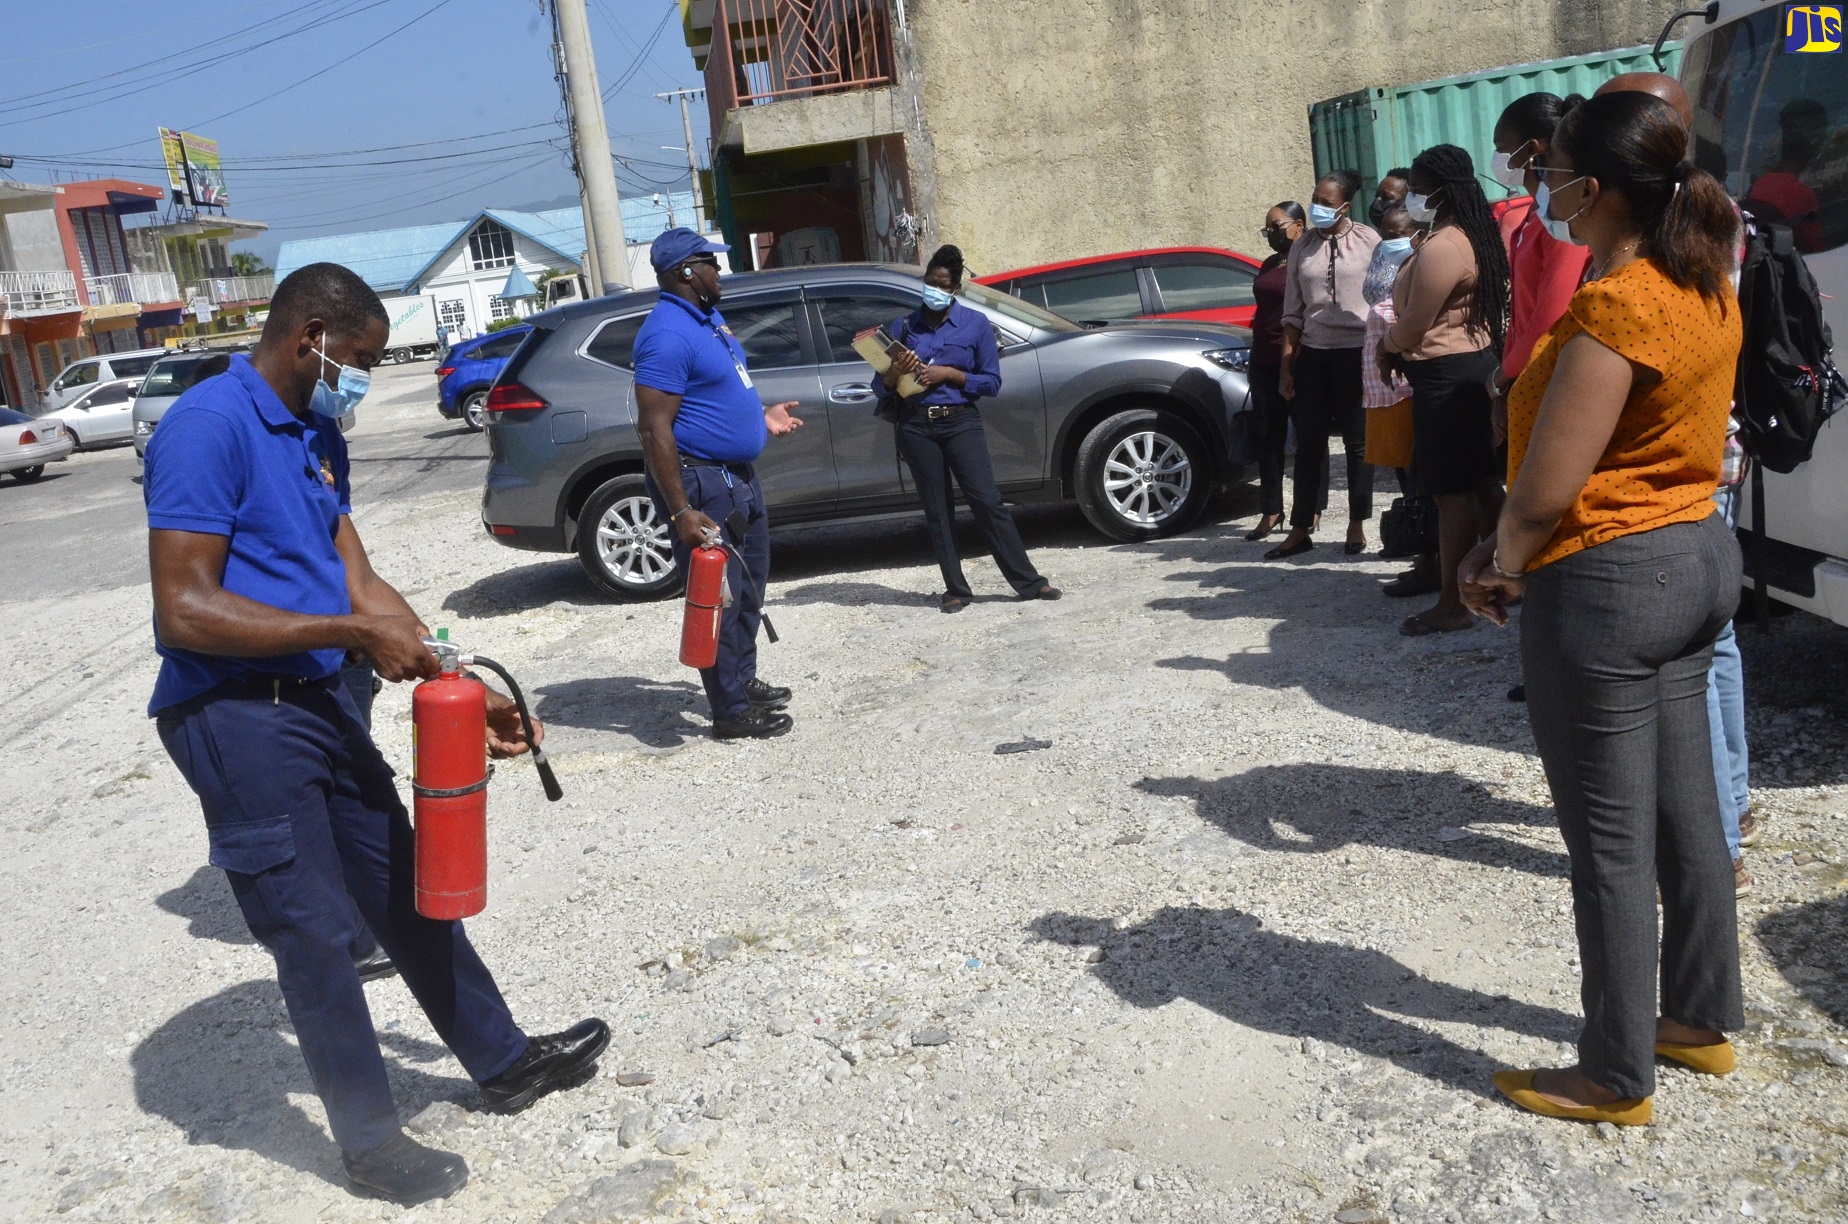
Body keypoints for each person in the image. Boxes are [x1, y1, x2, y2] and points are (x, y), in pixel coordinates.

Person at [145, 263, 608, 1205]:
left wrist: (455, 675)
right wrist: (354, 636)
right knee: (313, 932)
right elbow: (183, 609)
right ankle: (369, 1143)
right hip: (231, 716)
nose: (361, 375)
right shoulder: (207, 428)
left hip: (313, 700)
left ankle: (503, 1060)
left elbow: (358, 577)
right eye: (356, 358)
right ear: (309, 333)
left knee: (404, 887)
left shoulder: (314, 431)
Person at [1460, 91, 1746, 1125]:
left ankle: (1617, 1074)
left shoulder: (1614, 310)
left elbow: (1545, 488)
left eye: (1554, 171)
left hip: (1612, 581)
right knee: (1688, 815)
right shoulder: (1706, 284)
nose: (1542, 188)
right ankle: (1700, 1021)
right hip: (1698, 557)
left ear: (1597, 188)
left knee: (1611, 845)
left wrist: (1493, 564)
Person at [634, 227, 805, 738]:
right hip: (701, 483)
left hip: (737, 478)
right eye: (712, 262)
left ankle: (741, 679)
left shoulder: (707, 319)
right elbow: (653, 427)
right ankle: (729, 712)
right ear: (686, 271)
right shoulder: (666, 334)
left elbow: (719, 392)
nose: (720, 271)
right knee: (719, 598)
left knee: (749, 586)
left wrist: (759, 418)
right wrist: (681, 509)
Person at [882, 245, 1061, 610]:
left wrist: (949, 373)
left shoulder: (976, 325)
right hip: (916, 425)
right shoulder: (902, 326)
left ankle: (1028, 582)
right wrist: (895, 372)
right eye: (929, 282)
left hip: (960, 421)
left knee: (987, 501)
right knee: (937, 509)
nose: (933, 289)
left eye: (942, 284)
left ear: (955, 288)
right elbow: (881, 386)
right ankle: (956, 590)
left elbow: (991, 383)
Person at [1380, 145, 1509, 636]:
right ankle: (1513, 576)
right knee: (1480, 485)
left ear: (1439, 188)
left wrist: (1385, 347)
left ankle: (1455, 603)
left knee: (1450, 497)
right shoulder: (1462, 235)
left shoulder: (1444, 245)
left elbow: (1414, 325)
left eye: (1416, 186)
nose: (1410, 195)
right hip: (1466, 370)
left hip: (1446, 377)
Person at [1273, 170, 1379, 559]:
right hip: (1314, 355)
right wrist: (1287, 367)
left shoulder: (1370, 241)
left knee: (1358, 443)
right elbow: (1292, 312)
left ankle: (1357, 524)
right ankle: (1301, 527)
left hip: (1358, 353)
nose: (1318, 208)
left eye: (1327, 203)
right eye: (1315, 199)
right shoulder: (1302, 247)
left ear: (1346, 206)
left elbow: (1387, 299)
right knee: (1309, 443)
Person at [1360, 207, 1436, 595]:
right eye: (1384, 233)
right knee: (1408, 473)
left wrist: (1390, 346)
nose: (1389, 241)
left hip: (1412, 383)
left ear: (1419, 232)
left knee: (1425, 476)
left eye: (1398, 233)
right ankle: (1423, 548)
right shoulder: (1394, 263)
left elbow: (1413, 324)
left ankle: (1432, 554)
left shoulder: (1429, 267)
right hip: (1387, 384)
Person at [1243, 201, 1307, 542]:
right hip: (1264, 360)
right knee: (1268, 437)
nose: (1270, 234)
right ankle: (1271, 509)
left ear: (1298, 225)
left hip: (1299, 358)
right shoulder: (1270, 263)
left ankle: (1309, 508)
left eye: (1276, 227)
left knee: (1308, 437)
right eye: (1266, 229)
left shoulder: (1308, 259)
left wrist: (1291, 362)